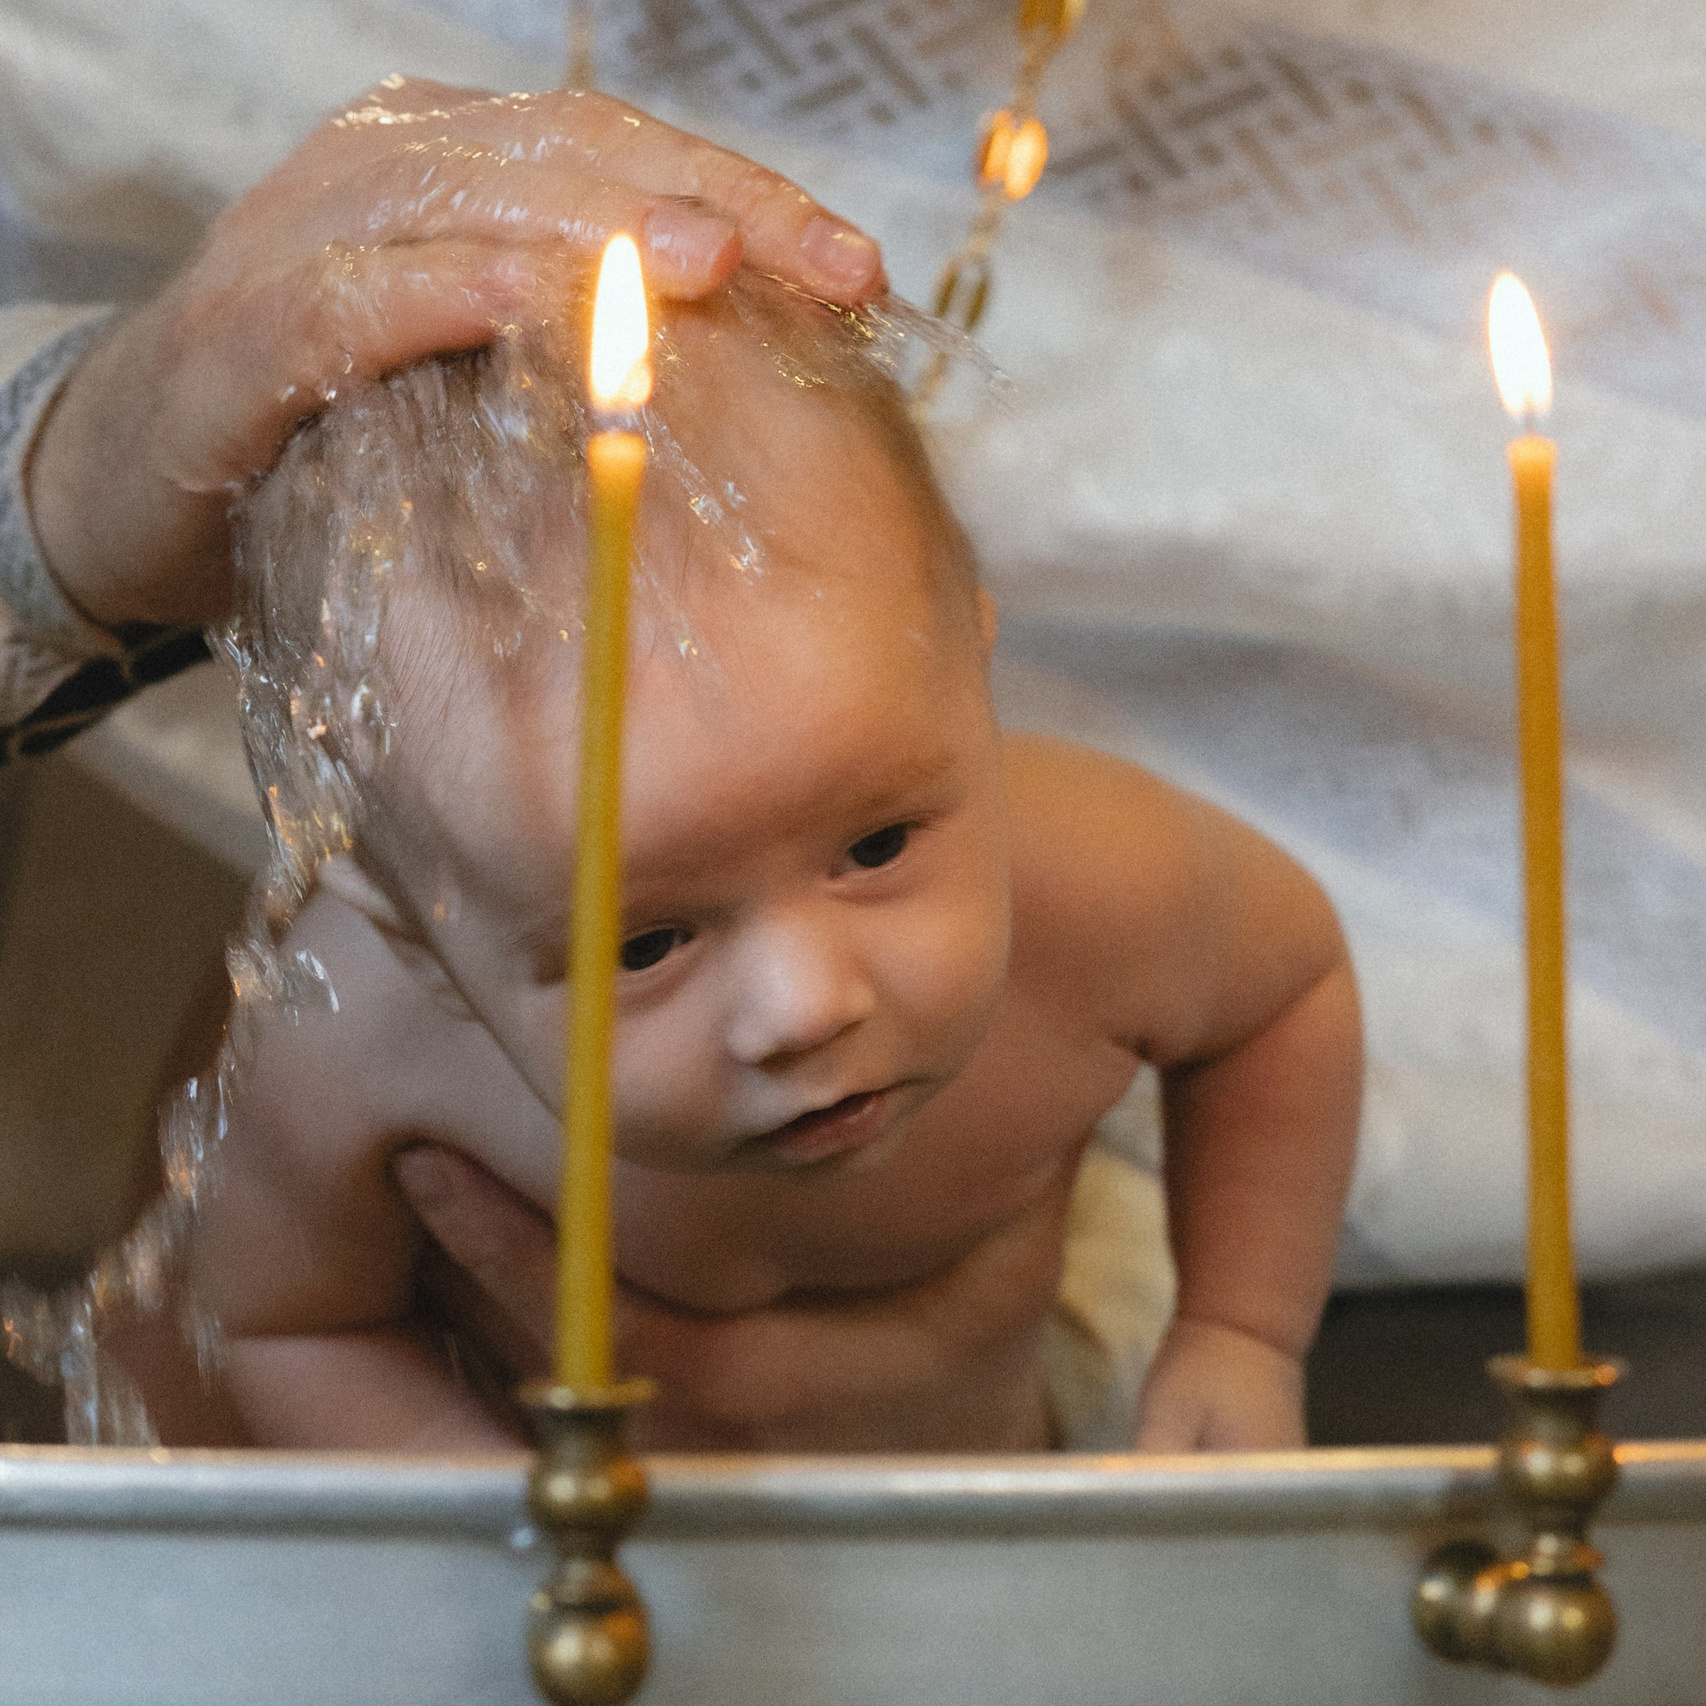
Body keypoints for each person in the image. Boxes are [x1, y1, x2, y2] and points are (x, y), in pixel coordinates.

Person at [165, 272, 1360, 1456]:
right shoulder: (347, 1035)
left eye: (875, 846)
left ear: (971, 660)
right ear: (410, 924)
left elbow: (1281, 991)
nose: (804, 1006)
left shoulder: (1101, 880)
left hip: (1023, 1375)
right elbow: (286, 1324)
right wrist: (483, 1501)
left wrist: (1238, 1328)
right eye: (646, 943)